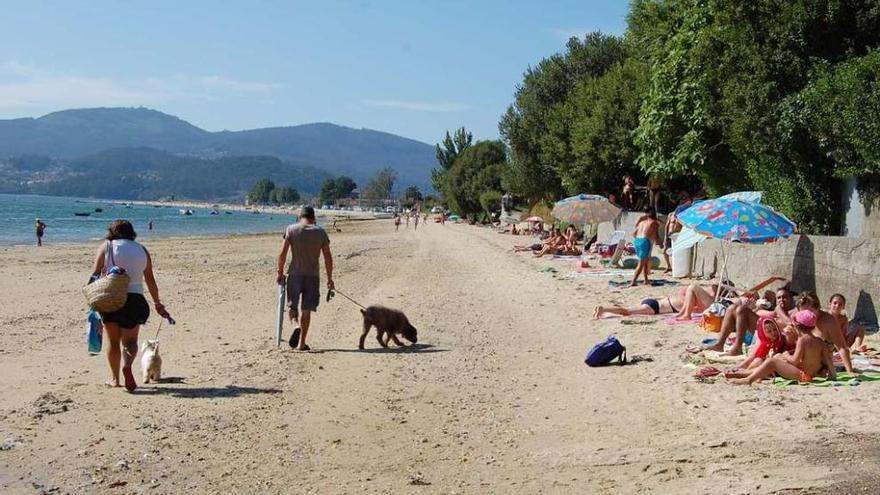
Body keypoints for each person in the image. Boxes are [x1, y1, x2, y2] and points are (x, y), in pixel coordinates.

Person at [89, 220, 170, 391]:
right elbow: (150, 279)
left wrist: (91, 297)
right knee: (131, 342)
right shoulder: (141, 249)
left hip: (111, 297)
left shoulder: (107, 246)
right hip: (135, 299)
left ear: (111, 231)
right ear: (131, 232)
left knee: (113, 341)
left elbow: (95, 273)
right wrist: (157, 303)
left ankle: (115, 379)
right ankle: (127, 366)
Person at [276, 206, 334, 351]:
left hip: (295, 275)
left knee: (292, 306)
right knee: (307, 310)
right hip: (312, 276)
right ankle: (302, 343)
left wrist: (280, 272)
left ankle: (295, 325)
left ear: (299, 217)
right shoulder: (320, 232)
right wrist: (330, 278)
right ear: (313, 218)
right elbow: (328, 257)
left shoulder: (291, 229)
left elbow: (282, 253)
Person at [729, 310, 834, 385]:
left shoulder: (803, 340)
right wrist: (833, 375)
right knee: (774, 361)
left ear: (797, 326)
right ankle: (743, 373)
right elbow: (828, 359)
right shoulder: (819, 341)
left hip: (804, 376)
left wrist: (786, 355)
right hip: (813, 374)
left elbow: (794, 361)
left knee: (772, 362)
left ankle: (748, 379)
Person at [704, 278, 792, 355]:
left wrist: (779, 310)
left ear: (791, 299)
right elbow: (757, 316)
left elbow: (791, 324)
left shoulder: (792, 312)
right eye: (779, 298)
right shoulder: (772, 311)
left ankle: (737, 348)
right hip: (756, 332)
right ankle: (720, 344)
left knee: (742, 309)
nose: (781, 300)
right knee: (732, 308)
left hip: (772, 337)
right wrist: (758, 308)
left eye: (785, 297)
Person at [796, 291, 855, 374]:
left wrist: (850, 371)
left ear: (818, 308)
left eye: (809, 312)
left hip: (821, 363)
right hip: (800, 359)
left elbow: (842, 347)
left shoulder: (828, 321)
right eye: (803, 313)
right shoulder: (797, 317)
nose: (806, 315)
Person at [593, 283, 719, 319]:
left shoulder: (689, 298)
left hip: (655, 302)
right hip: (654, 307)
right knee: (627, 311)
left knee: (627, 311)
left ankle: (605, 312)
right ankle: (604, 309)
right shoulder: (693, 302)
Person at [630, 208, 661, 287]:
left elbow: (633, 234)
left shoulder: (642, 222)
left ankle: (646, 279)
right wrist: (660, 243)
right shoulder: (654, 223)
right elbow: (656, 234)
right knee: (641, 263)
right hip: (645, 241)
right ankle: (633, 281)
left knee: (645, 261)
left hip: (637, 240)